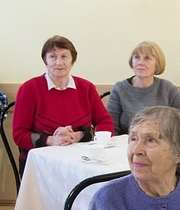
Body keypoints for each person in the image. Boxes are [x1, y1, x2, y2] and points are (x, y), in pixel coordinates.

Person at [11, 35, 113, 170]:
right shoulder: (29, 89)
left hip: (83, 162)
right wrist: (51, 140)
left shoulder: (86, 88)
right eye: (52, 57)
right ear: (45, 61)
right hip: (40, 164)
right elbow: (19, 135)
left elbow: (107, 124)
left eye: (64, 56)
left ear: (72, 61)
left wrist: (80, 135)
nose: (59, 62)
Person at [106, 41, 180, 135]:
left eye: (147, 58)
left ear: (157, 64)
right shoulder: (120, 89)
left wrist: (169, 124)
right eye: (136, 57)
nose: (140, 62)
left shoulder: (166, 88)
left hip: (161, 145)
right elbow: (111, 126)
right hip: (128, 146)